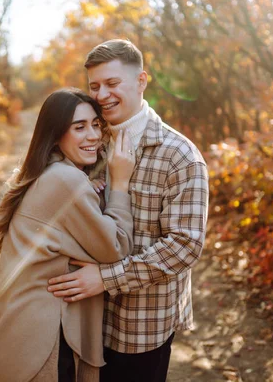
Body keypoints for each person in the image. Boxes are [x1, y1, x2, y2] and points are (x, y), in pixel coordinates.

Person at [47, 40, 209, 382]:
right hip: (81, 317)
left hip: (141, 325)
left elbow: (185, 246)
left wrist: (105, 279)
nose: (102, 94)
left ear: (141, 81)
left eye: (112, 83)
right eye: (94, 86)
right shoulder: (89, 139)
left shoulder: (179, 155)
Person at [0, 88, 136, 382]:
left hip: (20, 328)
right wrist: (119, 184)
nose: (93, 135)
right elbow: (116, 247)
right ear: (56, 134)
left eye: (96, 124)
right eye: (79, 127)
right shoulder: (66, 180)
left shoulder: (46, 172)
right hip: (45, 337)